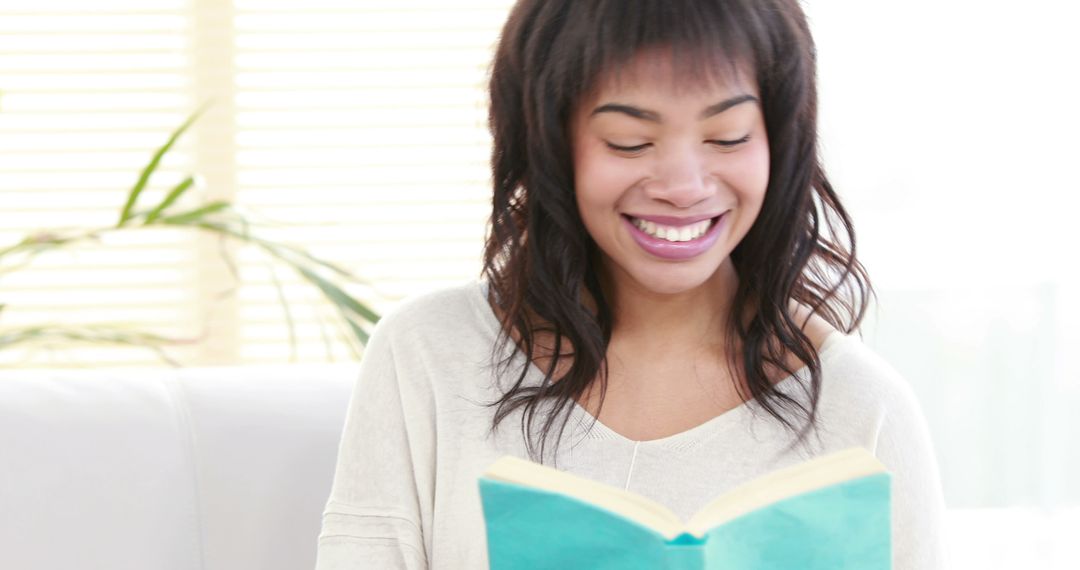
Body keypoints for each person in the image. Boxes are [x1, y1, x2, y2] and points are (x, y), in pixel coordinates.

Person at [315, 0, 947, 568]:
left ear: (778, 142)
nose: (684, 184)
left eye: (727, 136)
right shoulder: (427, 355)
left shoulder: (862, 408)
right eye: (630, 141)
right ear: (551, 143)